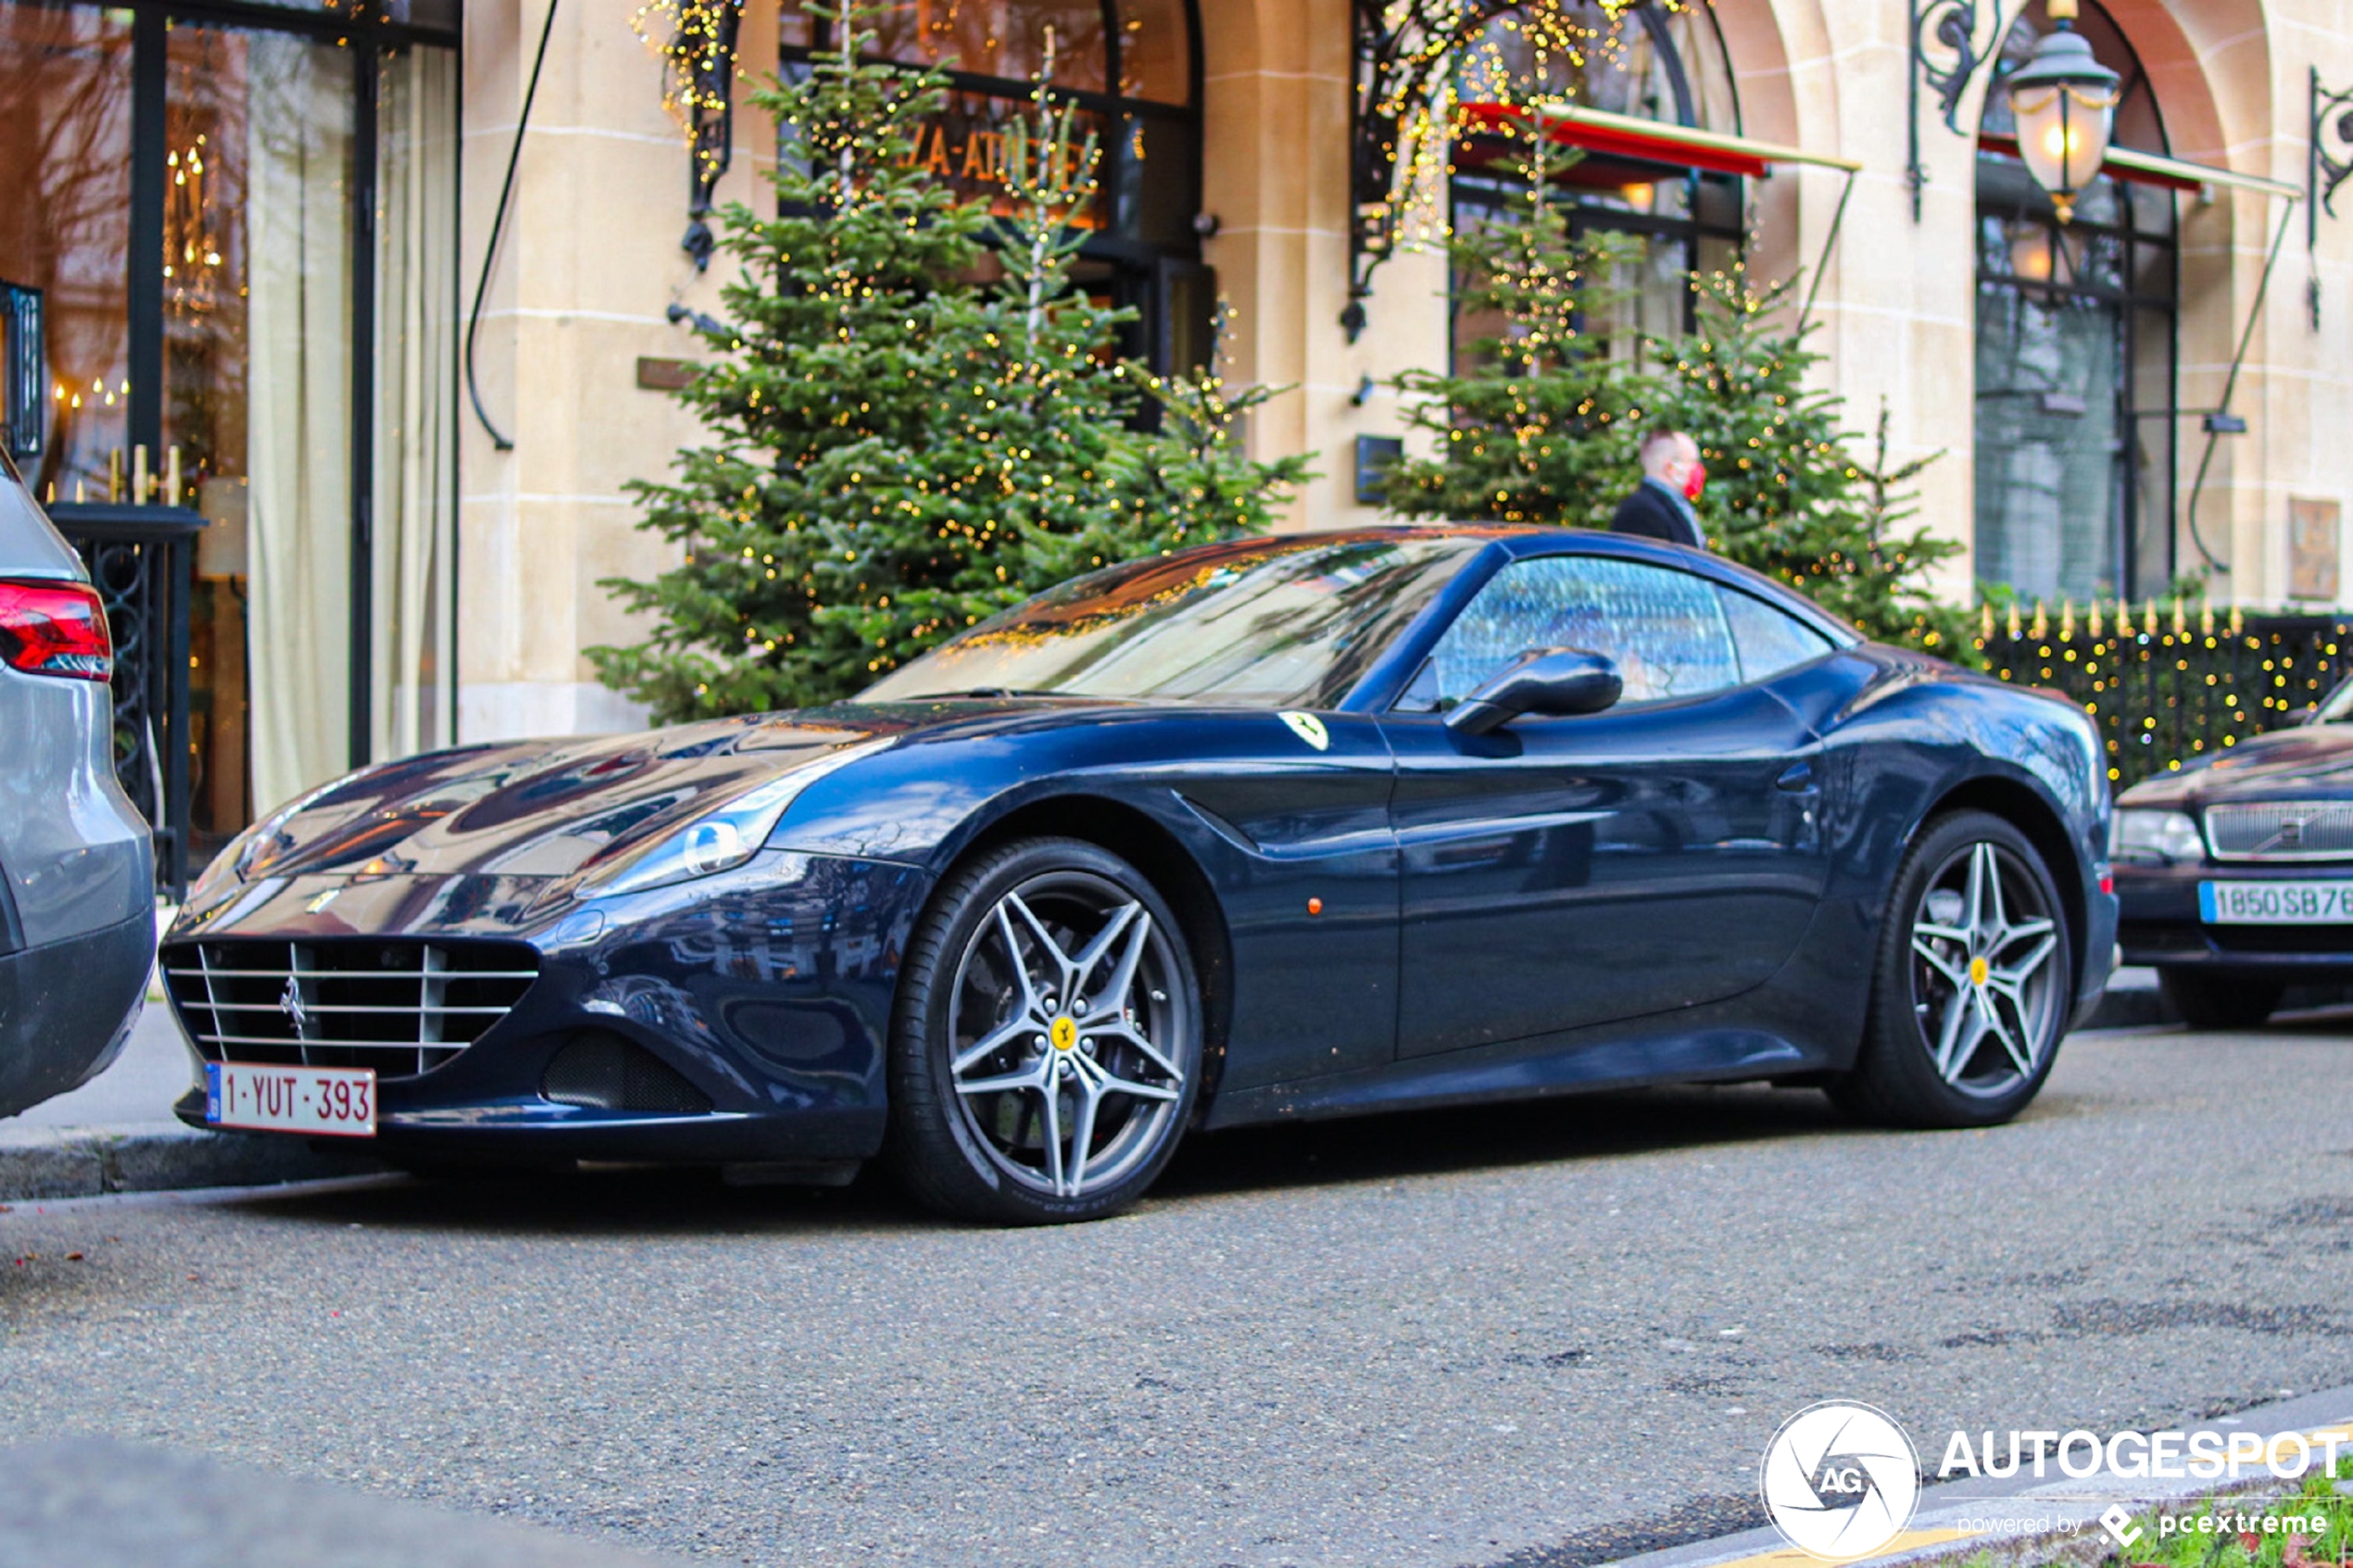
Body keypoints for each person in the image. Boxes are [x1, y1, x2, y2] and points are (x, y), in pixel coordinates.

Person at [1609, 428, 1708, 549]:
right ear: (1671, 468)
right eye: (1692, 462)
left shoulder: (1676, 506)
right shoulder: (1642, 511)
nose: (1697, 469)